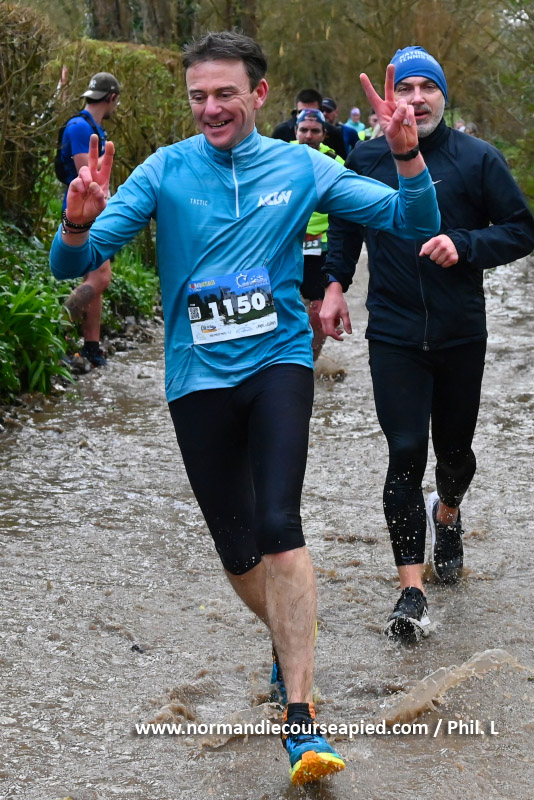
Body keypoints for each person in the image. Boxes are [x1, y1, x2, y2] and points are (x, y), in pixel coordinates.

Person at [50, 31, 440, 784]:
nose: (210, 108)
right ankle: (289, 639)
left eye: (224, 93)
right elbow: (73, 263)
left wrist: (407, 157)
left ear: (258, 94)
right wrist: (77, 220)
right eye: (198, 96)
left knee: (278, 525)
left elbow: (412, 223)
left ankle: (300, 719)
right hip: (196, 378)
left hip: (279, 362)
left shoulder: (301, 166)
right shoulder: (164, 171)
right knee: (237, 552)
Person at [320, 45, 534, 644]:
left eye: (427, 88)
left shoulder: (477, 158)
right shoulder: (366, 158)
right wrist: (334, 284)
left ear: (443, 95)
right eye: (405, 88)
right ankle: (410, 590)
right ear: (389, 99)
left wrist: (464, 244)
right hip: (392, 330)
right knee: (406, 449)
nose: (416, 99)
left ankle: (449, 512)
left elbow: (521, 230)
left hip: (460, 330)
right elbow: (345, 227)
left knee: (455, 455)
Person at [58, 72, 121, 367]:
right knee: (101, 277)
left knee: (94, 277)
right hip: (83, 212)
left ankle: (91, 347)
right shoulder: (82, 129)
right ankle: (56, 327)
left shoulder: (92, 128)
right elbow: (89, 180)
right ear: (112, 98)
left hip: (92, 211)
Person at [291, 109, 345, 370]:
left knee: (317, 309)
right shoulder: (279, 156)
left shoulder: (335, 162)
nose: (308, 136)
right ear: (296, 132)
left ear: (324, 134)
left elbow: (345, 213)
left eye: (315, 131)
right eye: (304, 130)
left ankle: (310, 360)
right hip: (286, 243)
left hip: (320, 244)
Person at [272, 88, 346, 157]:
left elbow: (342, 162)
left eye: (312, 112)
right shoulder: (282, 131)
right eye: (301, 112)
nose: (306, 116)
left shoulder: (334, 133)